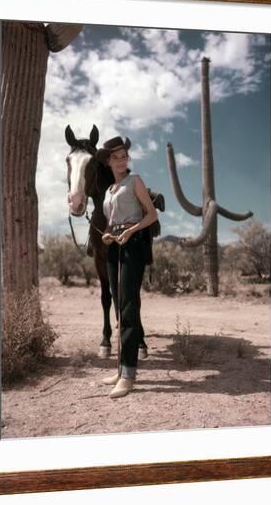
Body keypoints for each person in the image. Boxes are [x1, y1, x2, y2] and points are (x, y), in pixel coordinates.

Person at [96, 136, 158, 399]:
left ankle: (129, 374)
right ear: (108, 161)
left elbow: (151, 214)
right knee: (119, 306)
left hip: (133, 245)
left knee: (130, 306)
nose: (121, 160)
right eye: (116, 157)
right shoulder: (109, 191)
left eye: (124, 156)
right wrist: (106, 235)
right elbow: (111, 222)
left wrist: (132, 231)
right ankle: (120, 370)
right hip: (114, 246)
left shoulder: (136, 181)